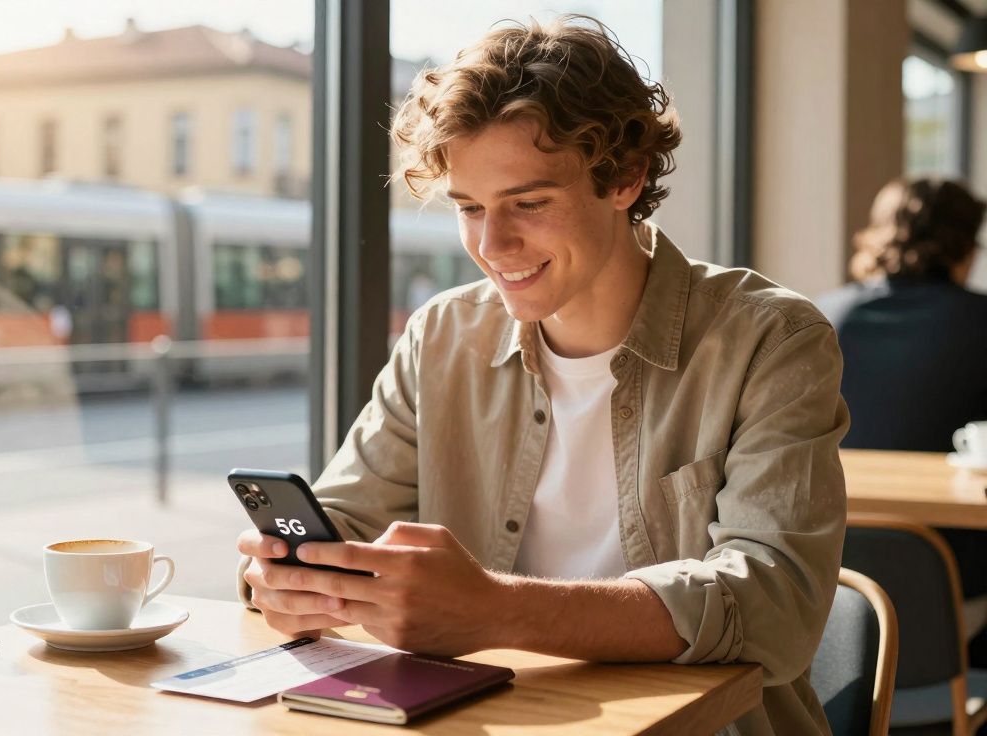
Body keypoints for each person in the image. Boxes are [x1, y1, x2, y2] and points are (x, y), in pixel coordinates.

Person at [237, 17, 847, 735]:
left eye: (528, 203)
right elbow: (345, 521)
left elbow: (774, 605)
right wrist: (285, 578)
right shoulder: (442, 337)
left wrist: (495, 609)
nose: (492, 246)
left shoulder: (771, 339)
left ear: (625, 177)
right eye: (470, 208)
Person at [816, 177, 987, 661]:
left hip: (828, 595)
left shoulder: (819, 317)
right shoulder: (980, 323)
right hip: (954, 596)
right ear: (966, 248)